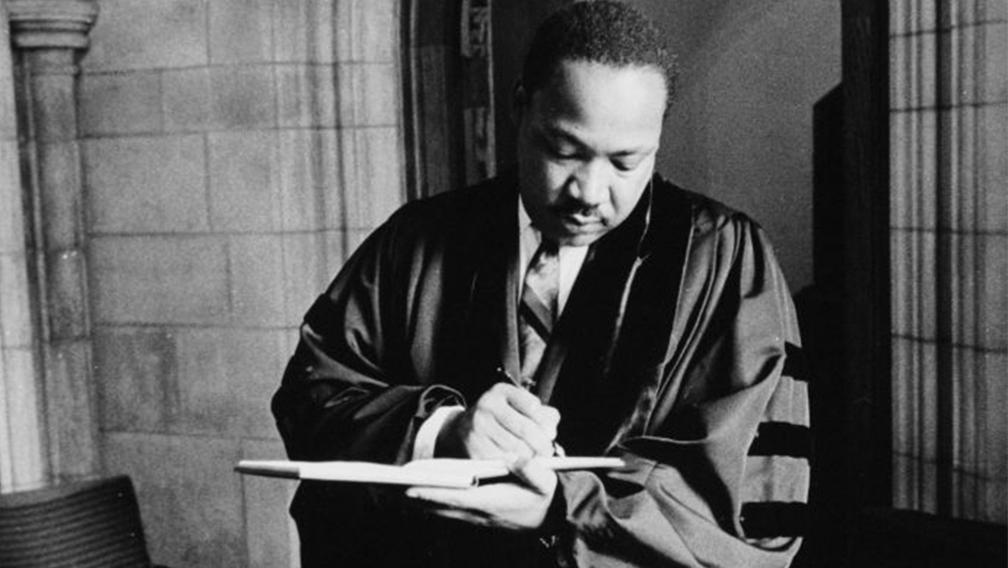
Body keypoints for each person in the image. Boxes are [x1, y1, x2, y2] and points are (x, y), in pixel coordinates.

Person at [272, 2, 810, 566]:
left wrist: (564, 507)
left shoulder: (726, 259)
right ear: (518, 109)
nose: (590, 192)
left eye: (627, 162)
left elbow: (751, 490)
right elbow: (315, 395)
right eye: (563, 150)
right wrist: (439, 431)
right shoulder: (418, 240)